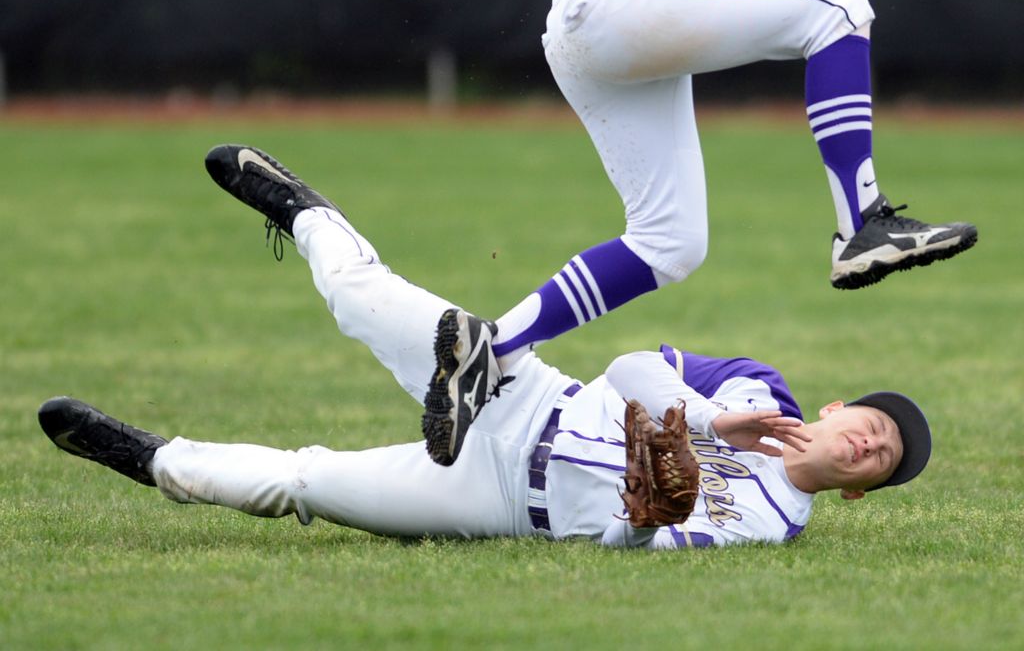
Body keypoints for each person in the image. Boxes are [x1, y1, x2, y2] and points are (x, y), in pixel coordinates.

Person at [37, 145, 931, 549]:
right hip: (519, 393)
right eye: (875, 426)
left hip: (500, 498)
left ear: (857, 490)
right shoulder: (759, 388)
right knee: (360, 297)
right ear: (838, 408)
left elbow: (644, 533)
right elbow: (626, 367)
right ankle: (300, 210)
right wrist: (708, 420)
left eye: (880, 462)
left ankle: (152, 459)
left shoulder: (774, 525)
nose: (870, 443)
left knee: (301, 483)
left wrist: (662, 489)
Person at [419, 0, 977, 465]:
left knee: (670, 242)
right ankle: (863, 222)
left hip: (597, 25)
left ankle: (496, 350)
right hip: (621, 8)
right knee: (839, 9)